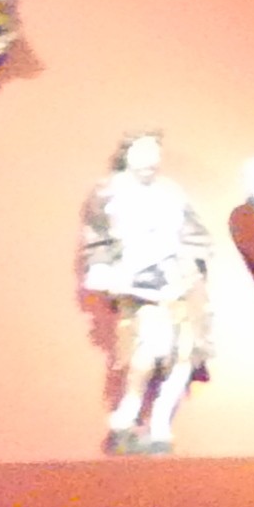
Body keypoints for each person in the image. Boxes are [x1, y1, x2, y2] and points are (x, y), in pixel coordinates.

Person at [79, 129, 210, 453]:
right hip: (138, 284)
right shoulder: (109, 191)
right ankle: (128, 411)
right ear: (127, 154)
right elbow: (97, 237)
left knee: (184, 354)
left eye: (154, 153)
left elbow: (197, 235)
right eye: (142, 152)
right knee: (148, 351)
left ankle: (161, 421)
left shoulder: (171, 192)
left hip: (178, 280)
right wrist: (101, 268)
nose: (150, 160)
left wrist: (190, 261)